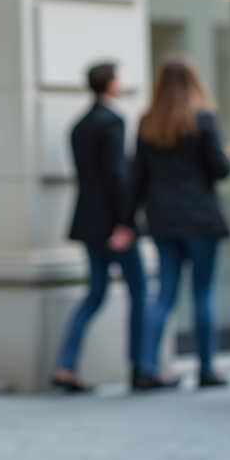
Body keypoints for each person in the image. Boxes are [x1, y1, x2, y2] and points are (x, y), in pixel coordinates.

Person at [131, 55, 230, 390]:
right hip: (199, 217)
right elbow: (219, 169)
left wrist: (128, 219)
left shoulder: (148, 121)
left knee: (164, 294)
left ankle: (146, 368)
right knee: (203, 292)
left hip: (162, 218)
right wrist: (228, 156)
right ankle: (206, 369)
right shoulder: (203, 119)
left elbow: (137, 178)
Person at [51, 63, 149, 393]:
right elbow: (117, 175)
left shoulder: (78, 125)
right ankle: (141, 367)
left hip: (87, 220)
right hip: (112, 223)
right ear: (110, 84)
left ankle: (65, 364)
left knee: (95, 292)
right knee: (139, 290)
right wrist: (125, 222)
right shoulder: (113, 121)